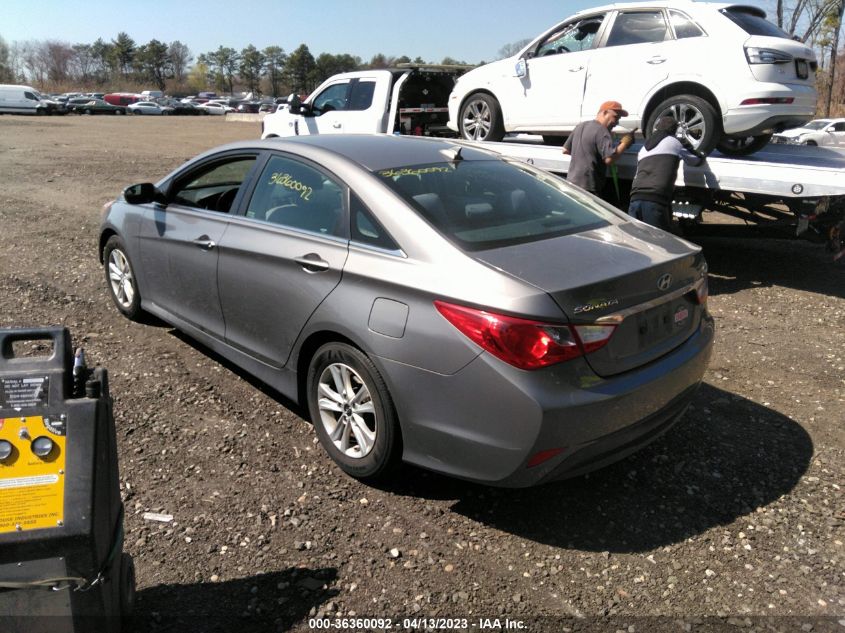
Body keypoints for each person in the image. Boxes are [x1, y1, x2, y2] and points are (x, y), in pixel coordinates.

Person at [628, 116, 706, 232]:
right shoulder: (676, 141)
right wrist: (702, 153)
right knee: (659, 241)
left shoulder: (643, 148)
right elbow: (696, 160)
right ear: (674, 129)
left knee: (637, 239)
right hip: (655, 199)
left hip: (635, 198)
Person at [562, 100, 636, 197]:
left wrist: (586, 155)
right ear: (605, 113)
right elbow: (609, 159)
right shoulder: (602, 130)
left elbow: (565, 150)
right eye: (615, 117)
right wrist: (625, 143)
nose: (617, 122)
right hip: (588, 188)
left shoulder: (581, 126)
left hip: (571, 183)